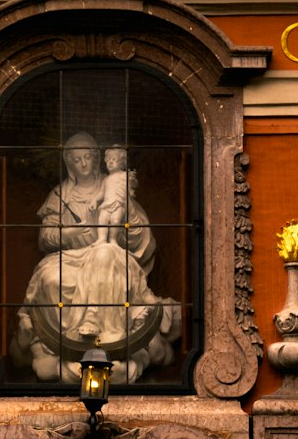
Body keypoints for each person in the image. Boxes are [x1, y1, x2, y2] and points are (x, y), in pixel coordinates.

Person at [10, 131, 180, 384]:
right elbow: (45, 239)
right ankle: (68, 343)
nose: (83, 164)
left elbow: (142, 239)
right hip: (68, 257)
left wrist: (126, 216)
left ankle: (108, 337)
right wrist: (74, 231)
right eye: (76, 160)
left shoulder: (113, 185)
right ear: (68, 163)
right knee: (51, 278)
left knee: (105, 253)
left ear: (97, 159)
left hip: (109, 255)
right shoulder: (60, 195)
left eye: (87, 157)